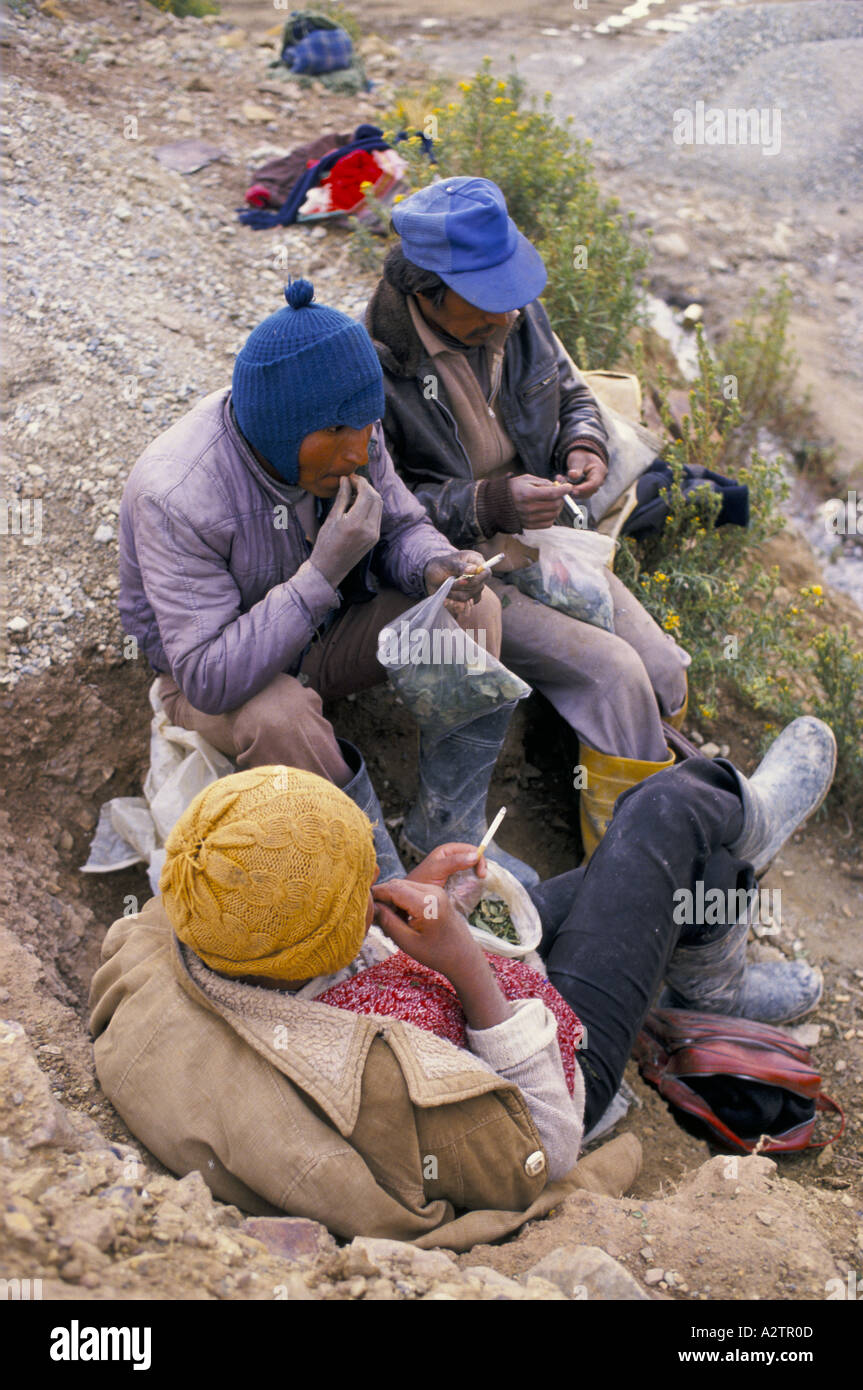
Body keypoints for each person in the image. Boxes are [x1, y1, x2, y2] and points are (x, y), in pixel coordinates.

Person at [89, 715, 835, 1247]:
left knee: (673, 869)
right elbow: (546, 1137)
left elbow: (332, 948)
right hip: (557, 1068)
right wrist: (468, 965)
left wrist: (413, 898)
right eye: (361, 886)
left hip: (433, 980)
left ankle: (709, 980)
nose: (374, 887)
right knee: (668, 809)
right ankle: (744, 842)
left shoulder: (243, 938)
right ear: (338, 932)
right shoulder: (380, 1060)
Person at [117, 277, 536, 886]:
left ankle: (448, 827)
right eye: (337, 436)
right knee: (279, 715)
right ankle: (381, 882)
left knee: (471, 612)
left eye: (364, 430)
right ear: (281, 433)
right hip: (214, 683)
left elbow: (400, 526)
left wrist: (434, 564)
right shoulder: (178, 494)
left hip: (321, 637)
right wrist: (321, 574)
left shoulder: (354, 427)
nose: (356, 454)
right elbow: (206, 675)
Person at [365, 177, 692, 857]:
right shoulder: (373, 364)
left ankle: (661, 817)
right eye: (487, 302)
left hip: (539, 542)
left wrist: (583, 441)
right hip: (458, 573)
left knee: (662, 668)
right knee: (617, 674)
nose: (509, 317)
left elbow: (569, 389)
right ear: (427, 292)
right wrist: (488, 502)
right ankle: (629, 871)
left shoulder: (511, 316)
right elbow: (377, 512)